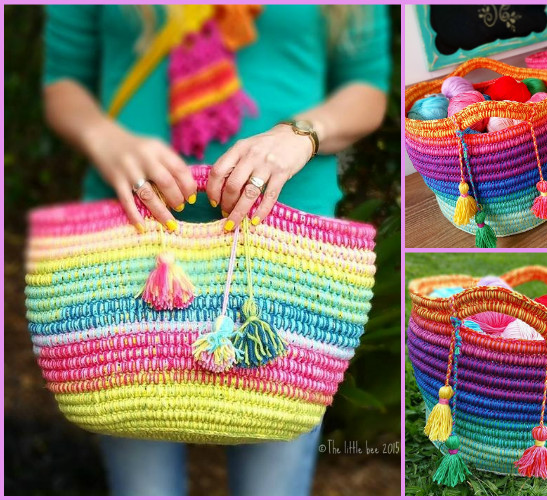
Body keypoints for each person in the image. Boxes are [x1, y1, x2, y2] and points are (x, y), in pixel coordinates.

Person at [43, 4, 390, 496]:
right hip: (127, 233)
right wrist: (106, 138)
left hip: (288, 238)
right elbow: (63, 82)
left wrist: (301, 135)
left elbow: (367, 88)